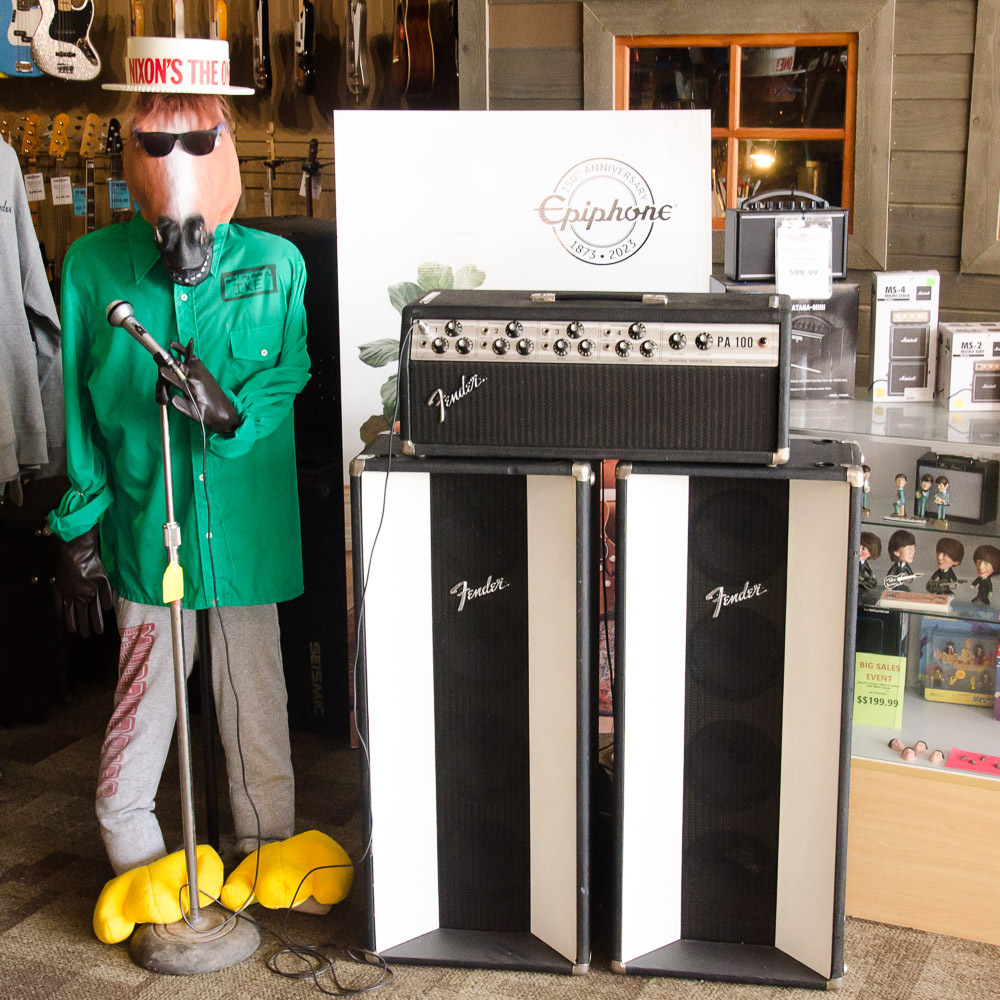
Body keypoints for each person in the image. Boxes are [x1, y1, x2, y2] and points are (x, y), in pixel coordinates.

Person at [48, 90, 310, 876]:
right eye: (157, 144)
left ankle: (267, 849)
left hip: (242, 525)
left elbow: (289, 368)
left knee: (256, 691)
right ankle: (134, 853)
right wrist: (77, 524)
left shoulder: (276, 264)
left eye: (197, 141)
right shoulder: (92, 267)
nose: (178, 159)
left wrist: (231, 419)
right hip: (146, 521)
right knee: (143, 692)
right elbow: (78, 406)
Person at [859, 531, 881, 597]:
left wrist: (871, 575)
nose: (859, 551)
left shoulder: (864, 563)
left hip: (861, 580)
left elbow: (868, 570)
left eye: (863, 549)